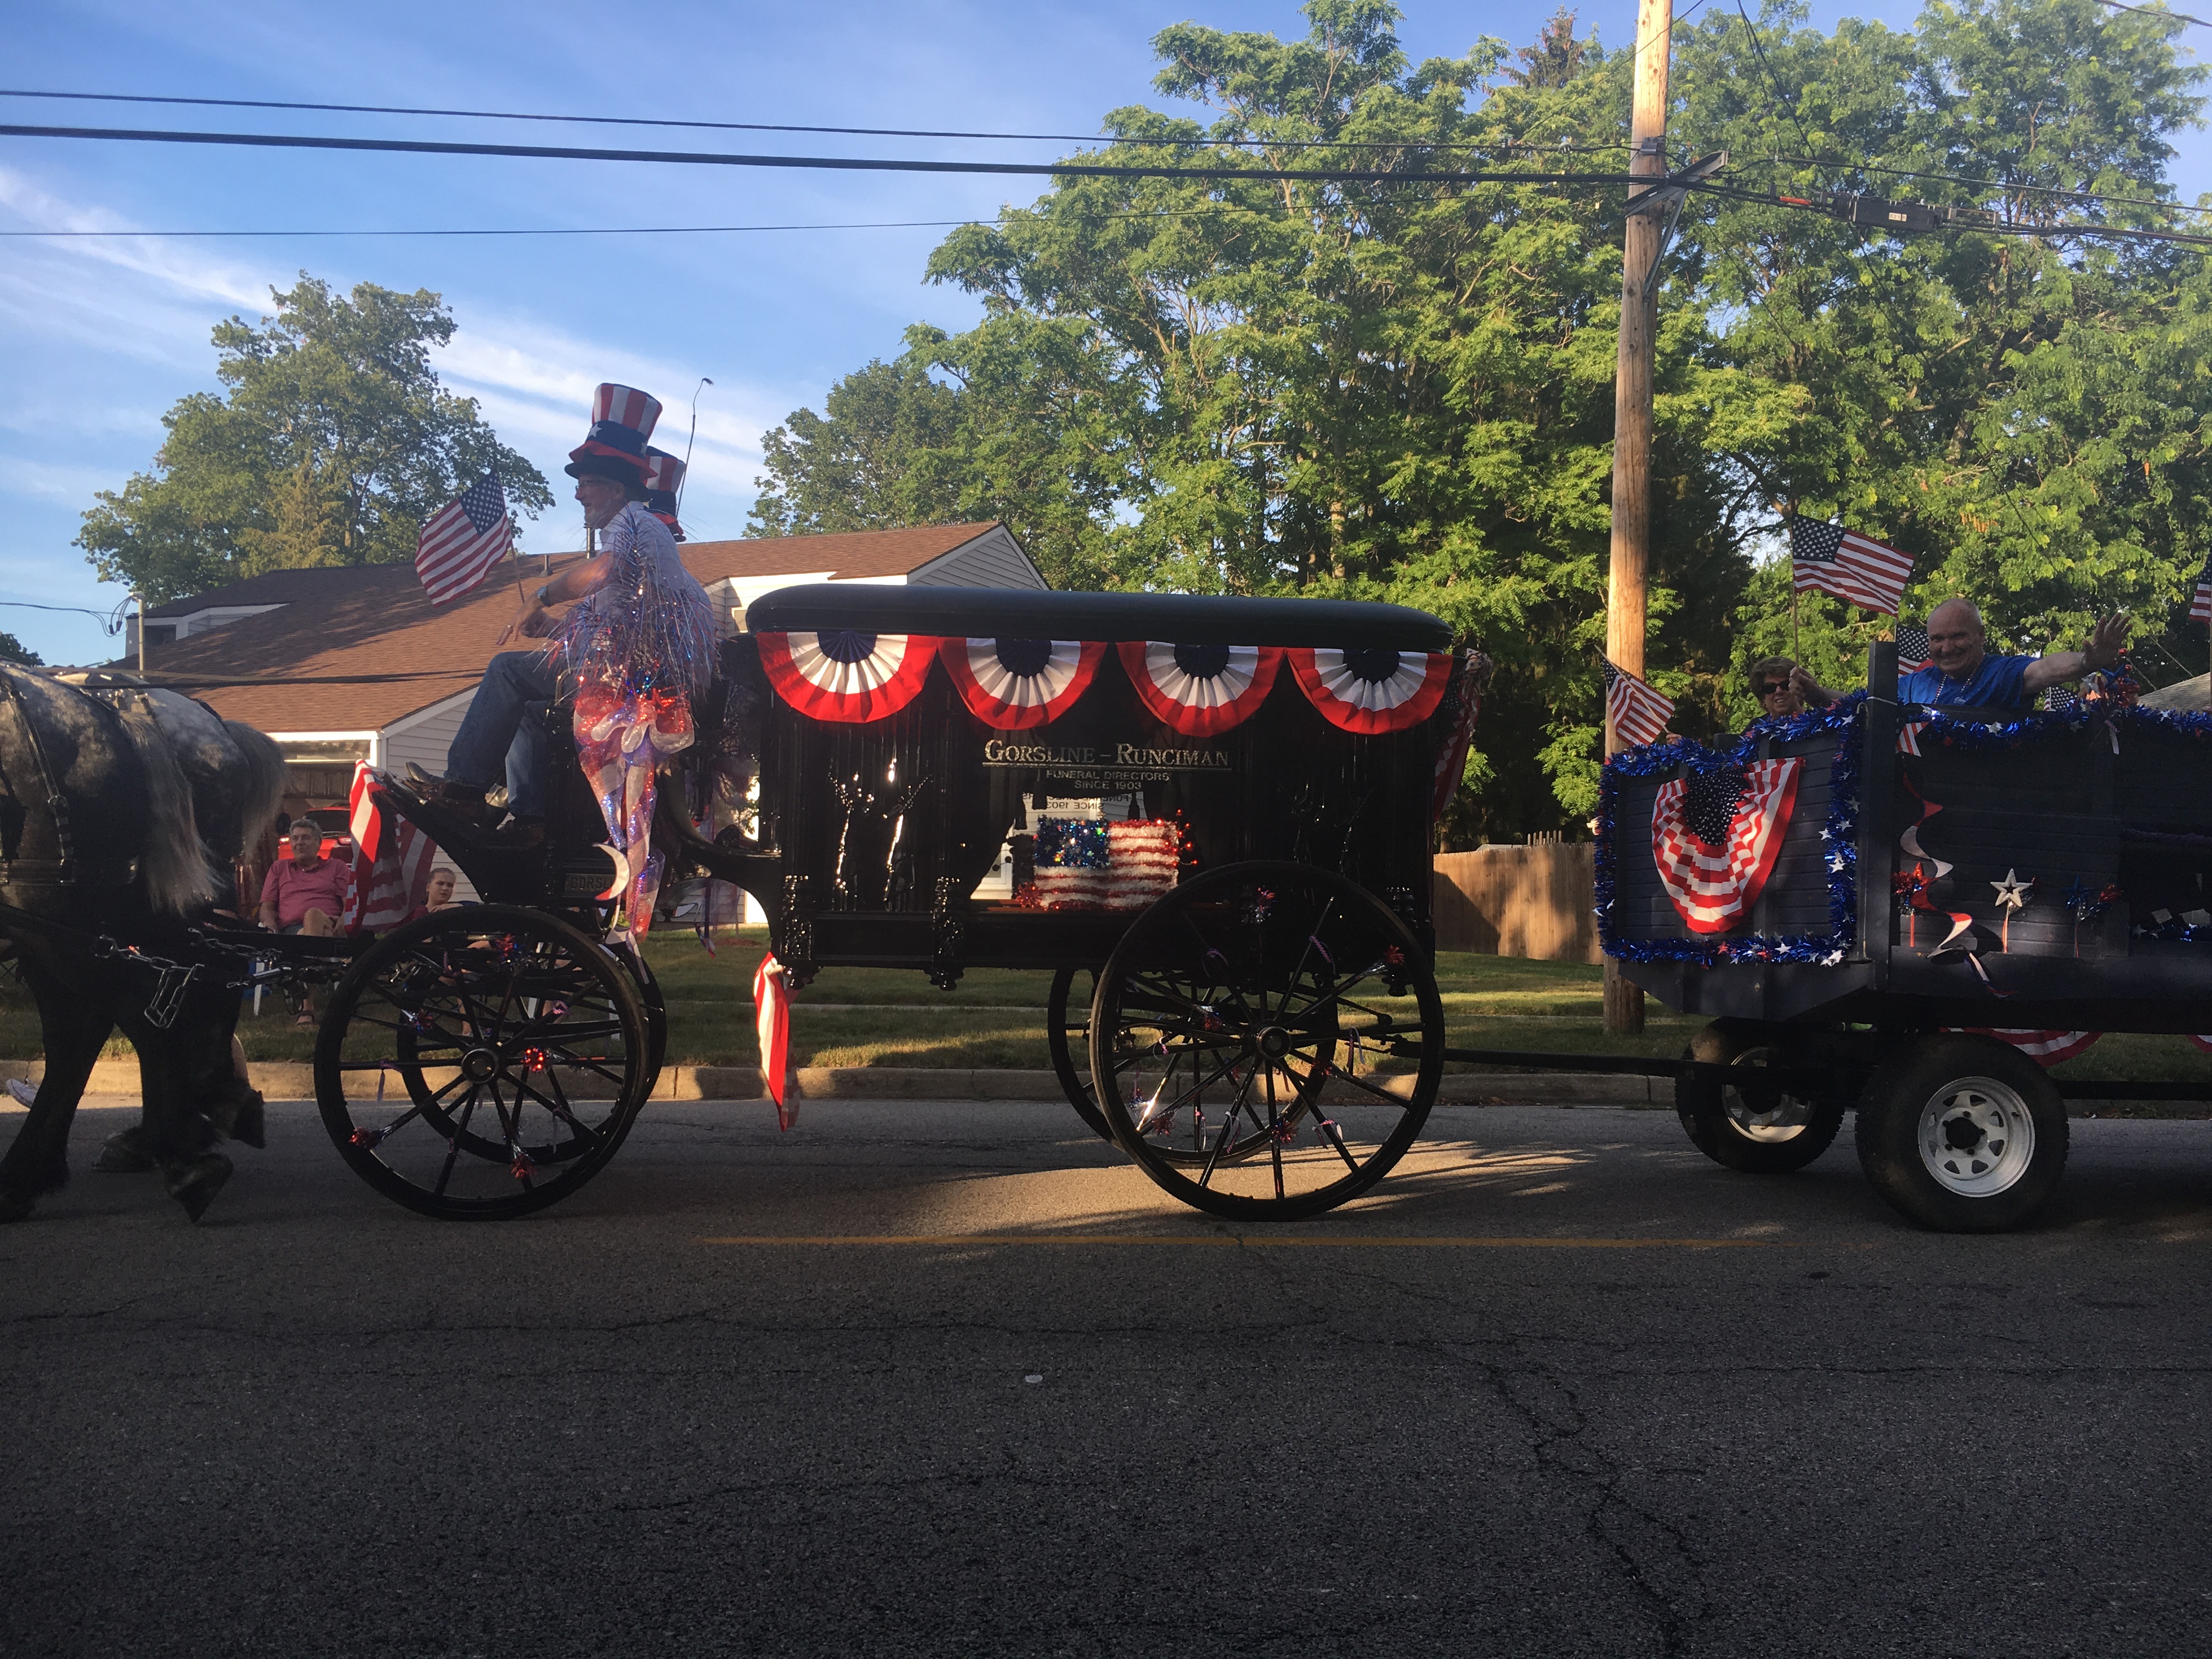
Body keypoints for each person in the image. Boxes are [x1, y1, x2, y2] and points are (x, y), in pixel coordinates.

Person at [424, 383, 717, 831]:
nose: (579, 495)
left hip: (642, 688)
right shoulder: (628, 531)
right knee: (527, 705)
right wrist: (549, 628)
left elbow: (606, 571)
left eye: (586, 484)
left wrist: (540, 596)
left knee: (506, 671)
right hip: (626, 677)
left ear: (615, 488)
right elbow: (601, 633)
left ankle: (463, 790)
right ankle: (531, 818)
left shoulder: (640, 525)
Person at [1793, 597, 2131, 713]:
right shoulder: (1917, 684)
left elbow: (2045, 669)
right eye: (1937, 639)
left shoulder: (2002, 672)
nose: (1947, 647)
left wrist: (2087, 662)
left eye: (1958, 636)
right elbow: (1866, 703)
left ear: (1981, 636)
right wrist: (1818, 694)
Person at [258, 818, 352, 1023]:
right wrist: (270, 928)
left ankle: (306, 1008)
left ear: (319, 843)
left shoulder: (336, 867)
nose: (299, 843)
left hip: (331, 926)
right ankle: (321, 968)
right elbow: (267, 907)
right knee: (310, 928)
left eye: (306, 838)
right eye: (295, 838)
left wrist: (345, 921)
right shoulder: (279, 868)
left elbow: (350, 903)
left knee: (313, 915)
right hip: (292, 932)